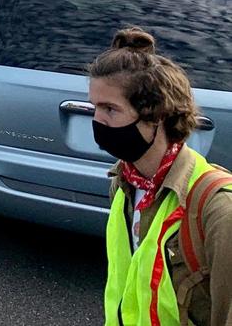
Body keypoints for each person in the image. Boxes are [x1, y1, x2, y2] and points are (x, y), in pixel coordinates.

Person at [88, 28, 232, 326]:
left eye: (110, 109)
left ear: (158, 115)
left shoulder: (218, 210)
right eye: (95, 107)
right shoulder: (124, 183)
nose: (96, 120)